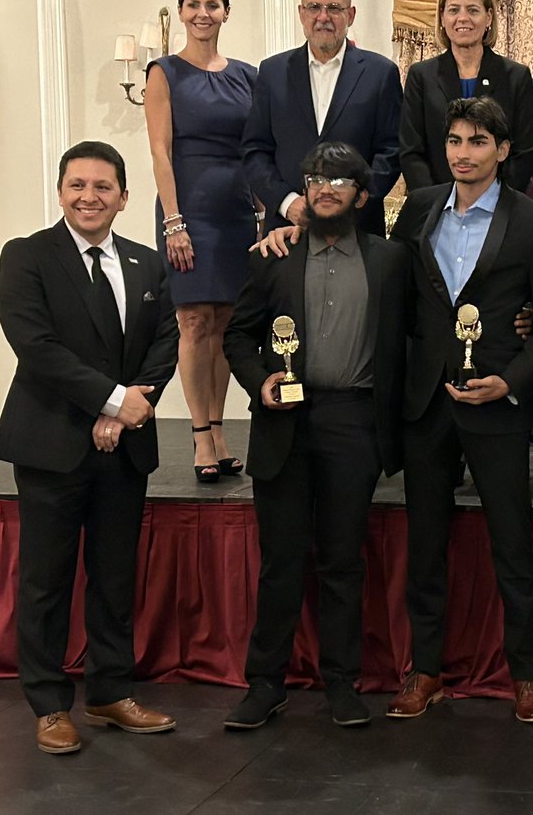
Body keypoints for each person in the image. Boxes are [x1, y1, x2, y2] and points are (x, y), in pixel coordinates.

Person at [0, 140, 180, 755]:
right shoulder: (26, 257)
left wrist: (124, 413)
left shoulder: (148, 265)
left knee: (113, 577)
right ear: (60, 191)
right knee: (46, 581)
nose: (89, 196)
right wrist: (108, 400)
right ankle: (49, 705)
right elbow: (37, 348)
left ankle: (109, 691)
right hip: (51, 445)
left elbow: (165, 343)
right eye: (77, 185)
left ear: (124, 198)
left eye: (103, 187)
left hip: (124, 449)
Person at [386, 96, 533, 724]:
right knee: (426, 541)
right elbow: (400, 299)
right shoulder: (417, 209)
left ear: (502, 149)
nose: (464, 153)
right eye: (455, 140)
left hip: (496, 401)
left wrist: (510, 381)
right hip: (427, 400)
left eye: (477, 142)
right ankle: (426, 670)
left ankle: (528, 675)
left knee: (512, 542)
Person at [221, 142, 409, 730]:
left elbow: (416, 337)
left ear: (362, 193)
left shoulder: (390, 261)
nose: (325, 188)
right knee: (280, 560)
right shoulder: (273, 256)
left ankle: (341, 683)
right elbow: (236, 337)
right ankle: (265, 684)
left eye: (339, 180)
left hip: (354, 421)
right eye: (315, 178)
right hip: (284, 422)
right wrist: (261, 380)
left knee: (341, 560)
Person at [144, 0, 257, 483]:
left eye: (212, 4)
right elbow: (160, 151)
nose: (202, 13)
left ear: (227, 12)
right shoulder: (163, 72)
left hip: (236, 213)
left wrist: (261, 214)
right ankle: (198, 436)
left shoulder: (248, 76)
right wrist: (173, 221)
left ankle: (219, 428)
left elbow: (258, 150)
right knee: (192, 322)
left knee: (225, 326)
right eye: (192, 4)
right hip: (185, 211)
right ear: (181, 10)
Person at [243, 0, 402, 237]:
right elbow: (255, 151)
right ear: (301, 14)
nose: (323, 17)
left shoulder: (381, 73)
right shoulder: (272, 72)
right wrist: (286, 202)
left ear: (350, 15)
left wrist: (351, 202)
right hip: (288, 231)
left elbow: (392, 150)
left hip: (357, 230)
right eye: (314, 7)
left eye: (334, 8)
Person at [400, 0, 533, 193]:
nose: (462, 18)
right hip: (437, 208)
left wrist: (495, 203)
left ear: (489, 17)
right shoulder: (421, 76)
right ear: (442, 18)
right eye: (454, 10)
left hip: (500, 211)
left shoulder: (516, 76)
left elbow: (525, 151)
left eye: (473, 10)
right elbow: (411, 151)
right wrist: (437, 203)